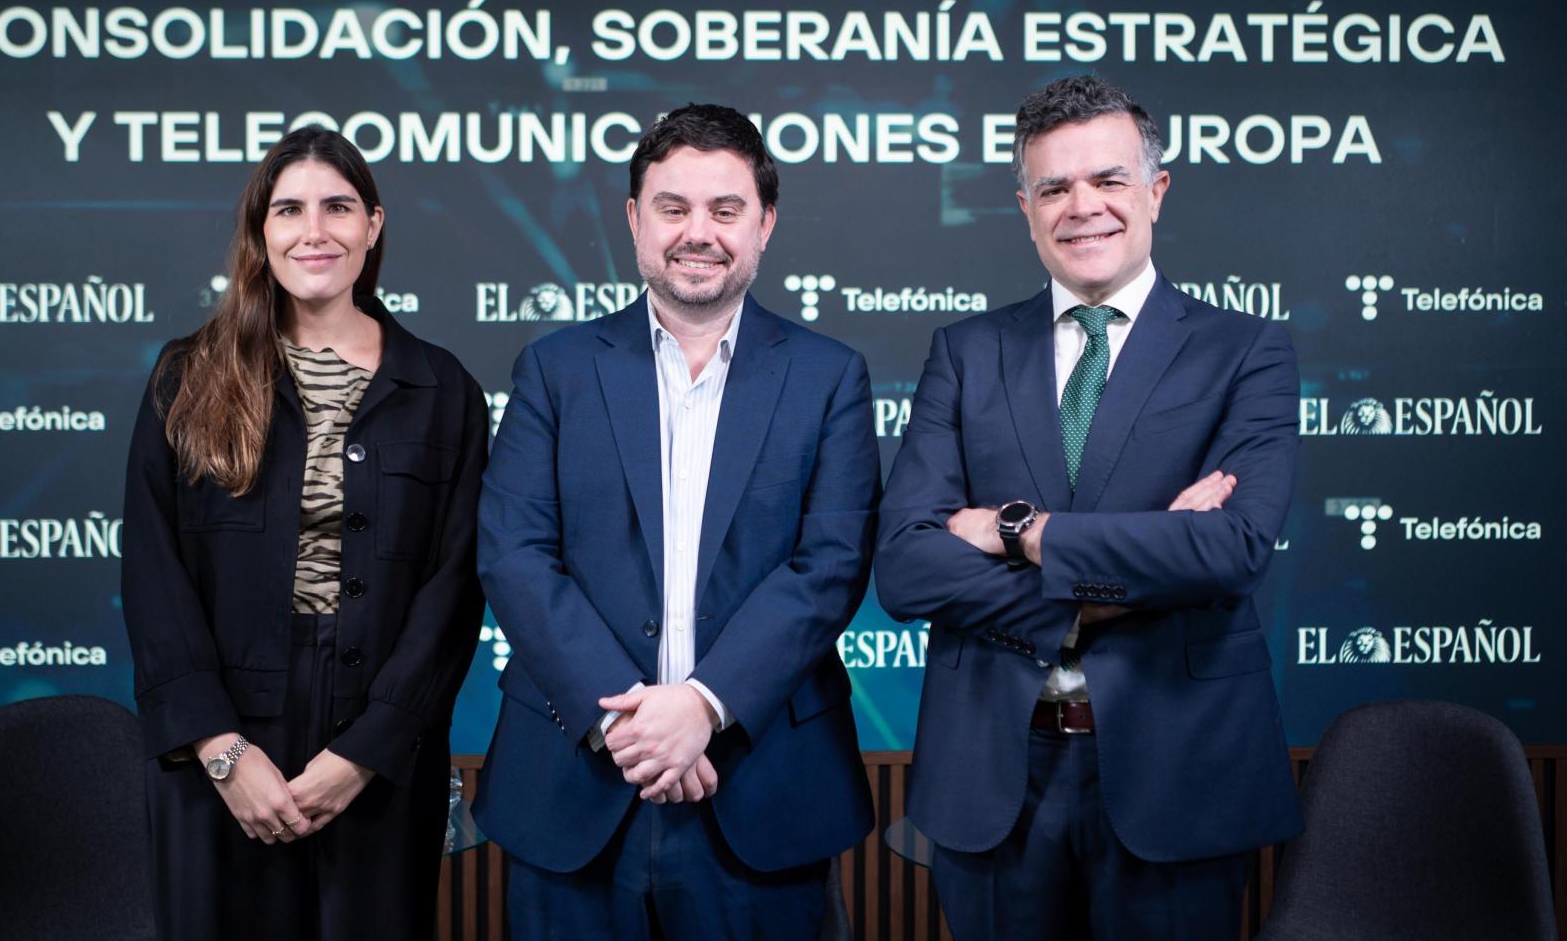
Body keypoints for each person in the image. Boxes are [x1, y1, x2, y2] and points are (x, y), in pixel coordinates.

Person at [875, 75, 1303, 940]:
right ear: (1025, 207)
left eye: (1108, 180)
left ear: (1156, 191)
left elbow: (1231, 550)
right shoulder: (965, 352)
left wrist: (1014, 532)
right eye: (1054, 187)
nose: (1084, 207)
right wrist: (1134, 568)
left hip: (1179, 771)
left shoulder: (1246, 351)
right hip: (994, 773)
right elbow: (907, 566)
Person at [473, 103, 879, 939]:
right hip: (575, 783)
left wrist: (702, 705)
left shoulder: (829, 376)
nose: (700, 232)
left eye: (726, 210)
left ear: (765, 223)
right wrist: (634, 725)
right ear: (633, 219)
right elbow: (515, 556)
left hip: (761, 788)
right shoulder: (554, 370)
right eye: (673, 207)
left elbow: (829, 566)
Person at [121, 125, 486, 940]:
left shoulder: (443, 390)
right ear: (260, 232)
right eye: (288, 210)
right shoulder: (188, 375)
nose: (313, 230)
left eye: (338, 208)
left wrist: (366, 751)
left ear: (374, 226)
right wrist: (221, 750)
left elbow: (455, 586)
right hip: (220, 743)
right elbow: (153, 571)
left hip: (378, 748)